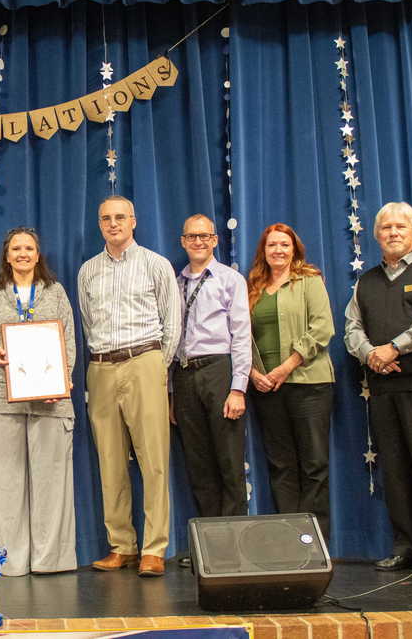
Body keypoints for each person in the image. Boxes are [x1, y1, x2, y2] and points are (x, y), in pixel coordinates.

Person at [345, 201, 412, 577]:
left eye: (400, 227)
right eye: (386, 227)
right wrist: (371, 354)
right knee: (394, 470)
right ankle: (405, 547)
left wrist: (394, 348)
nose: (393, 233)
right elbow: (351, 328)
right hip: (383, 388)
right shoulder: (366, 282)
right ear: (376, 235)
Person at [77, 195, 182, 577]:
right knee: (110, 461)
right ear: (99, 224)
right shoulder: (88, 271)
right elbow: (88, 323)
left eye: (120, 217)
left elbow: (172, 323)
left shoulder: (156, 264)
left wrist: (155, 367)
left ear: (134, 221)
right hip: (102, 366)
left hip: (145, 361)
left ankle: (154, 548)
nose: (113, 223)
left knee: (154, 460)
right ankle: (122, 545)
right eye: (106, 218)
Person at [0, 227, 77, 576]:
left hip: (51, 401)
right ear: (6, 255)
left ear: (37, 254)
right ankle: (8, 562)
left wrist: (61, 380)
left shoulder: (56, 292)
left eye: (29, 248)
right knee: (5, 483)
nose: (22, 254)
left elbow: (69, 343)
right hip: (3, 401)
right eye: (16, 248)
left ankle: (51, 561)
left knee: (51, 482)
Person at [245, 223, 335, 540]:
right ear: (264, 251)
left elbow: (323, 327)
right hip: (266, 388)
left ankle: (314, 542)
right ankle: (290, 541)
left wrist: (286, 367)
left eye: (284, 244)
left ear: (294, 249)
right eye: (272, 245)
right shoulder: (253, 287)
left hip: (308, 384)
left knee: (314, 465)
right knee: (281, 466)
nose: (278, 250)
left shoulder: (309, 281)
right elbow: (241, 336)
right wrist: (253, 373)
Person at [172, 214, 252, 567]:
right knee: (199, 465)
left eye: (204, 236)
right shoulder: (176, 282)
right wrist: (171, 393)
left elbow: (242, 335)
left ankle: (233, 549)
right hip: (184, 374)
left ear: (215, 240)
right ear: (183, 241)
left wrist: (238, 388)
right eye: (192, 236)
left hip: (219, 370)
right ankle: (208, 548)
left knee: (228, 463)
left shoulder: (230, 280)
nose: (198, 242)